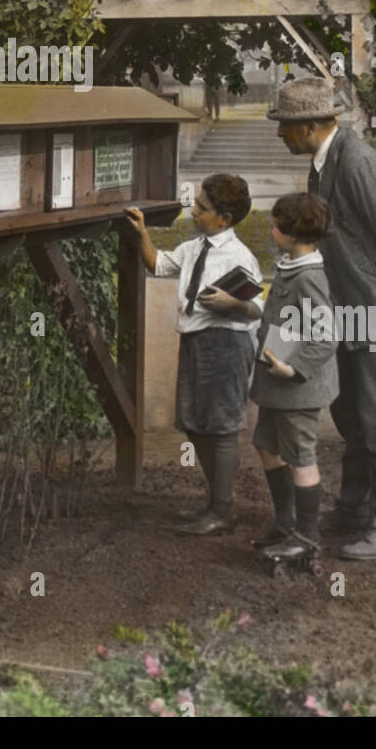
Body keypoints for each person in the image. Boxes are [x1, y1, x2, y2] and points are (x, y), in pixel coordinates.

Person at [269, 77, 376, 560]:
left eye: (285, 127)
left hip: (374, 309)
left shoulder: (357, 159)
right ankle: (353, 509)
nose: (281, 136)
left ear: (309, 126)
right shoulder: (322, 164)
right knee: (350, 415)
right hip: (344, 309)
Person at [125, 174, 262, 535]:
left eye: (202, 208)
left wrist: (232, 302)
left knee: (222, 426)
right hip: (196, 342)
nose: (194, 211)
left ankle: (221, 509)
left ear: (225, 219)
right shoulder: (193, 248)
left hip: (227, 344)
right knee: (194, 423)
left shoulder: (240, 257)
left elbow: (256, 310)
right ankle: (218, 502)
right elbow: (156, 264)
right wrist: (142, 234)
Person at [250, 192, 339, 563]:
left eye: (276, 224)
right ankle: (286, 523)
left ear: (289, 232)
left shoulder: (308, 278)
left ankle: (306, 536)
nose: (272, 229)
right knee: (266, 446)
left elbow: (327, 336)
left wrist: (294, 368)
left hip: (297, 387)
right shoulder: (293, 265)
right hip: (277, 385)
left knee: (301, 457)